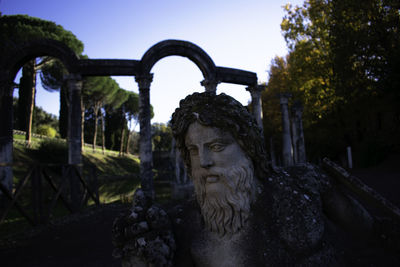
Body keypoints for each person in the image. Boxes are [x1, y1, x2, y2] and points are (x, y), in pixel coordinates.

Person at [112, 92, 399, 267]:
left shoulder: (307, 183)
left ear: (248, 147)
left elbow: (374, 232)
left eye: (216, 146)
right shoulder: (183, 225)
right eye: (193, 150)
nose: (204, 161)